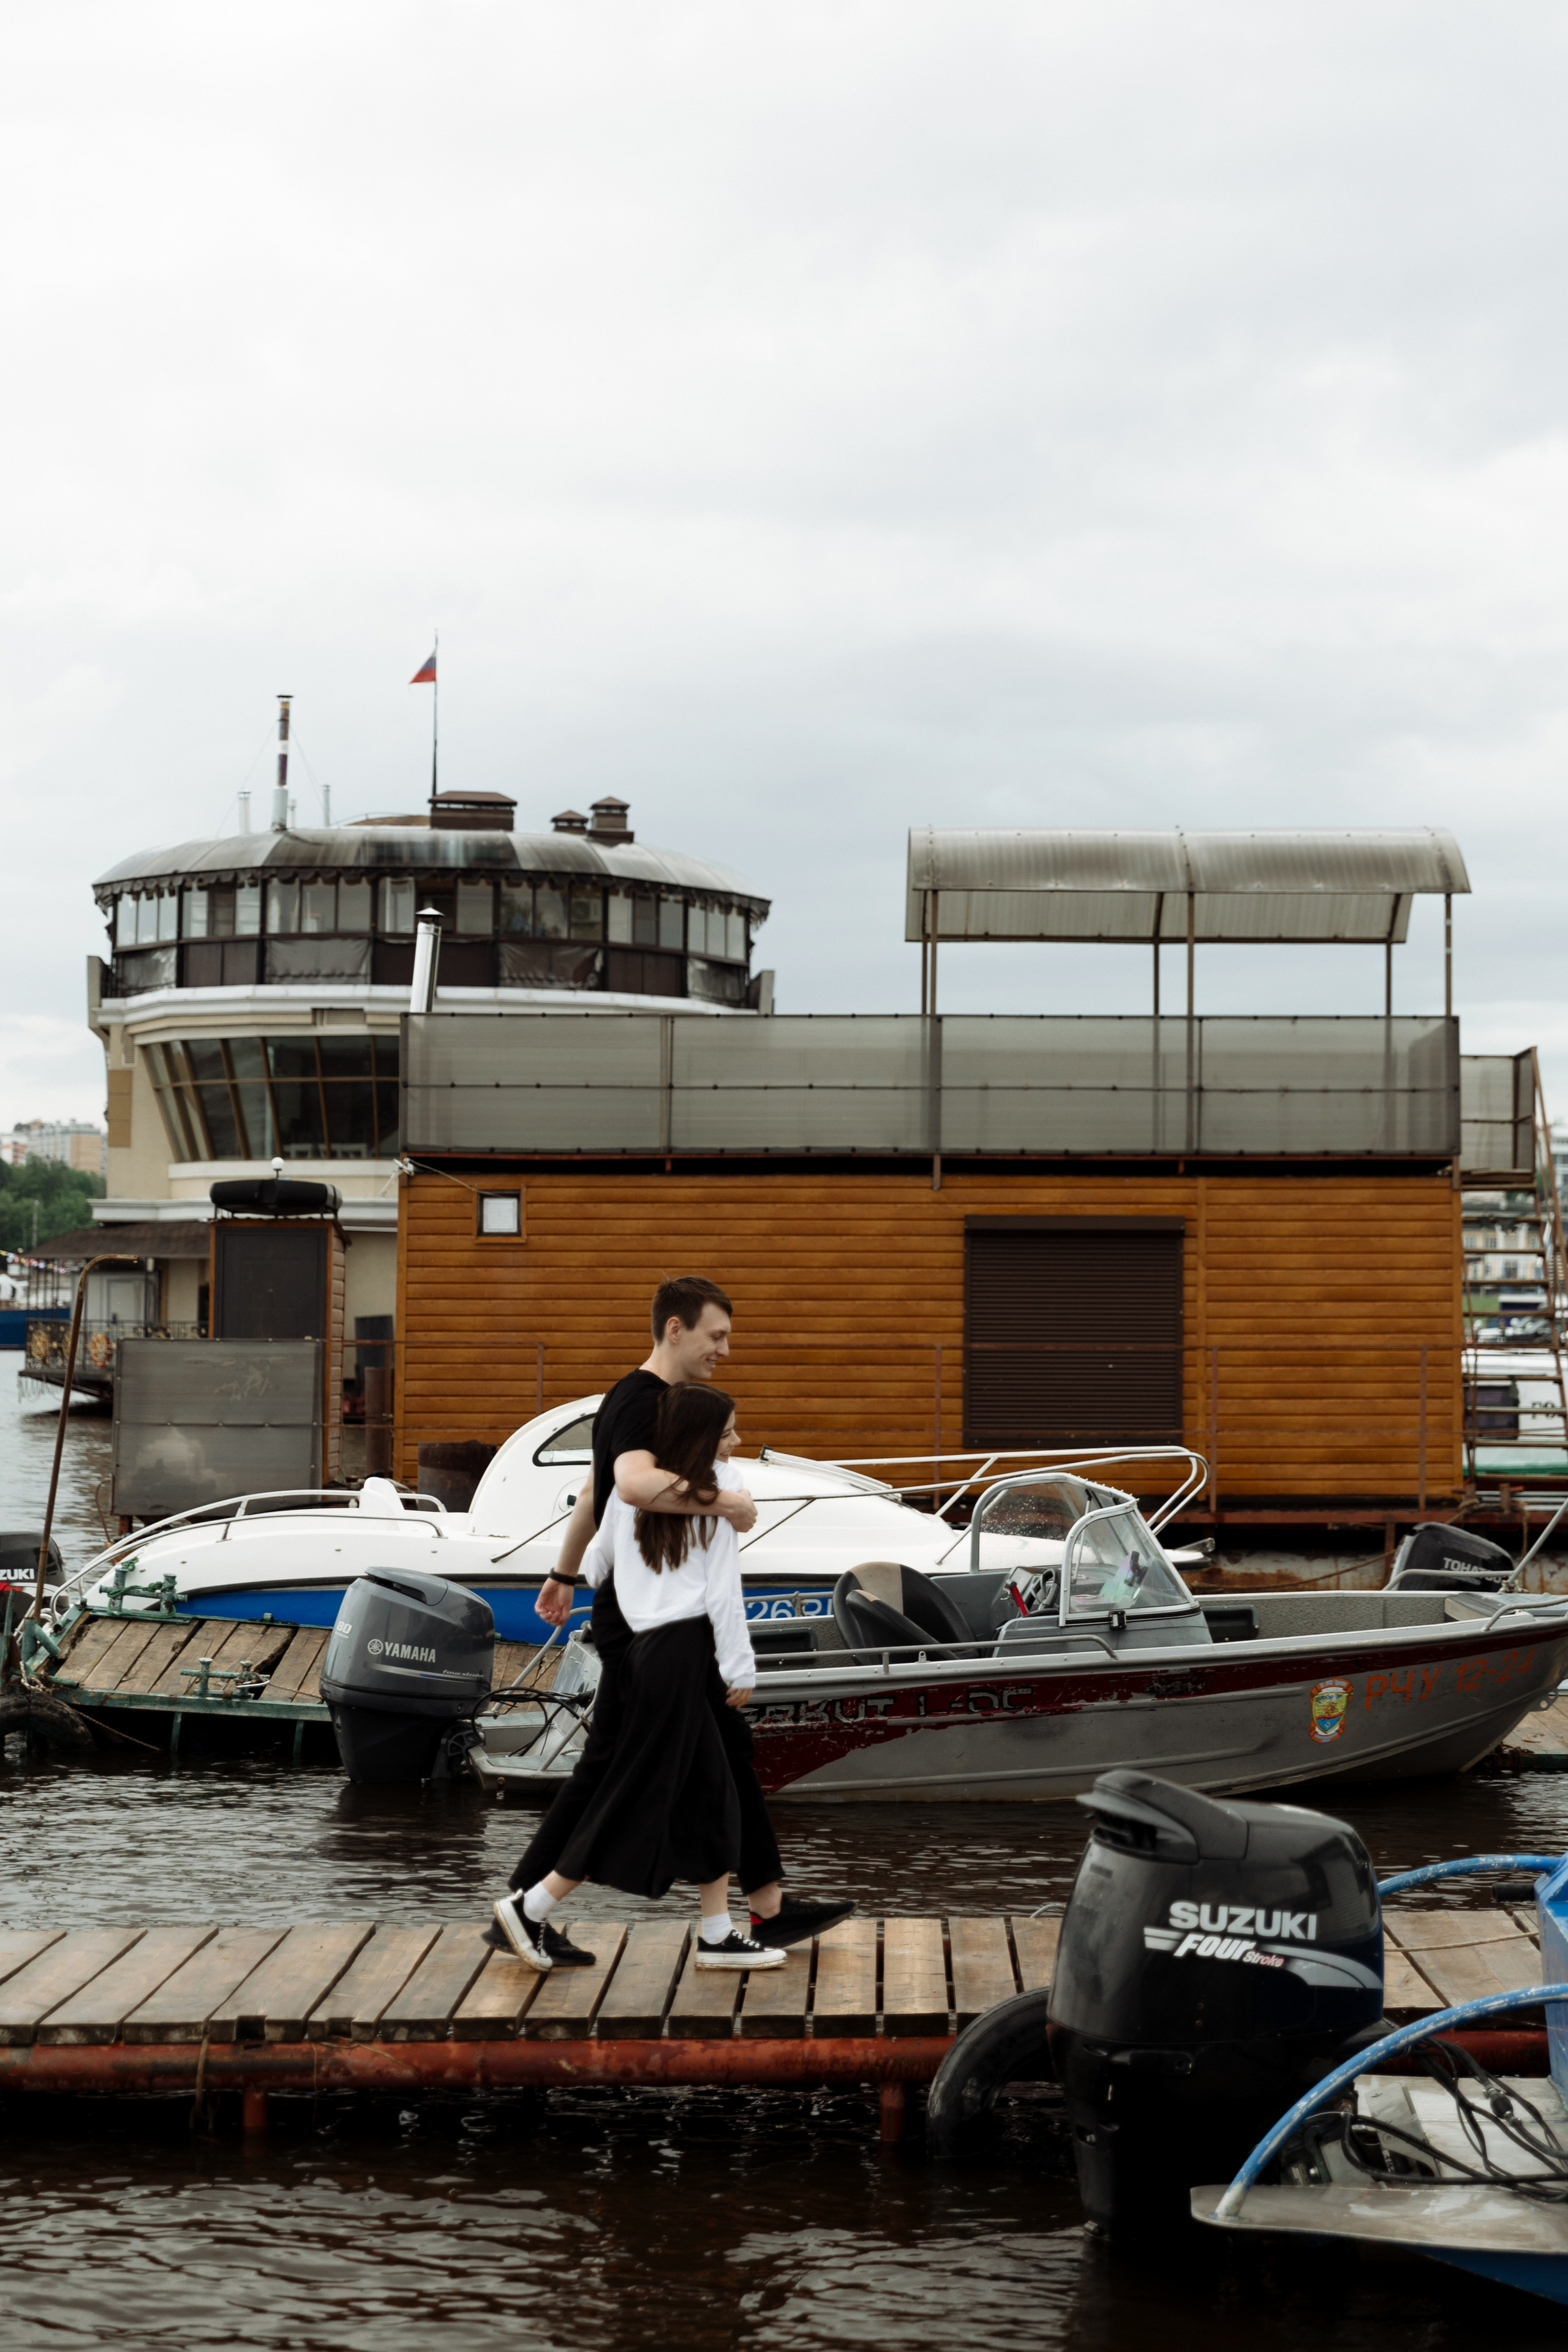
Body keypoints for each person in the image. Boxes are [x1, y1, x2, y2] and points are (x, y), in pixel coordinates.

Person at [494, 1273, 851, 1966]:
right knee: (634, 1772)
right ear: (676, 1329)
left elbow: (597, 1496)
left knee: (712, 1764)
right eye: (717, 1336)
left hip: (643, 1614)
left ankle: (751, 1911)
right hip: (656, 1626)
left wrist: (566, 1574)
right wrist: (726, 1504)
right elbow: (629, 1487)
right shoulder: (646, 1403)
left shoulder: (643, 1402)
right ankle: (528, 1907)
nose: (725, 1350)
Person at [493, 1385, 785, 1970]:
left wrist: (629, 1586)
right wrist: (740, 1666)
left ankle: (717, 1933)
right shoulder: (723, 1492)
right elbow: (724, 1593)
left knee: (711, 1790)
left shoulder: (634, 1498)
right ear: (701, 1439)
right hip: (686, 1651)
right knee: (637, 1792)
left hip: (646, 1649)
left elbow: (598, 1564)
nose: (736, 1441)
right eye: (727, 1432)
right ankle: (531, 1907)